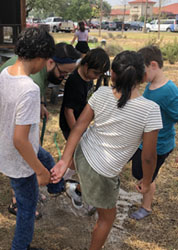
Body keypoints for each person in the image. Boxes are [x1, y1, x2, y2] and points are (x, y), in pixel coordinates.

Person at [51, 51, 163, 250]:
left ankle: (73, 187)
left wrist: (64, 159)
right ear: (144, 77)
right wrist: (146, 182)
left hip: (83, 153)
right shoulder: (150, 110)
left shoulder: (101, 93)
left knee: (86, 179)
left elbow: (78, 128)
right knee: (106, 219)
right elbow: (148, 157)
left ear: (112, 73)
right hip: (104, 172)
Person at [0, 41, 80, 218]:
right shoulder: (30, 83)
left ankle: (48, 187)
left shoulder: (39, 70)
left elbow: (38, 89)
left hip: (12, 100)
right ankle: (18, 201)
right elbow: (21, 139)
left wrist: (41, 104)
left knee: (33, 153)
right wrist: (39, 170)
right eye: (63, 73)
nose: (63, 78)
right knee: (19, 156)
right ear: (49, 62)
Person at [0, 27, 55, 250]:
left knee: (47, 159)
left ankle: (58, 186)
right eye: (46, 59)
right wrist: (40, 171)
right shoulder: (30, 89)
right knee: (27, 208)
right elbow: (20, 140)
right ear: (39, 57)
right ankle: (20, 247)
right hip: (19, 159)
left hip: (3, 148)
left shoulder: (6, 73)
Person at [130, 45, 178, 220]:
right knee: (140, 173)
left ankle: (146, 207)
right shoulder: (151, 84)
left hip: (159, 146)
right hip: (146, 142)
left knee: (147, 176)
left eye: (142, 70)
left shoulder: (170, 92)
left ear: (153, 65)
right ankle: (146, 192)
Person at [59, 48, 110, 205]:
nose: (96, 77)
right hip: (72, 125)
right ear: (85, 64)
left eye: (99, 75)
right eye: (95, 73)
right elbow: (68, 111)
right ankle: (60, 182)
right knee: (77, 155)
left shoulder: (88, 77)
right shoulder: (74, 81)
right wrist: (78, 134)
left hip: (80, 123)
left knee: (76, 156)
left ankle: (61, 180)